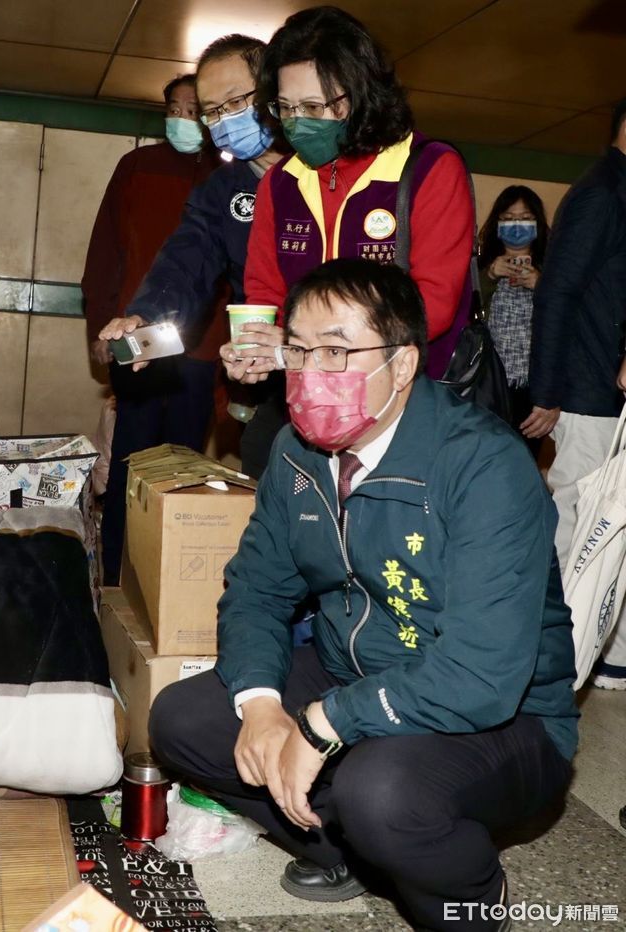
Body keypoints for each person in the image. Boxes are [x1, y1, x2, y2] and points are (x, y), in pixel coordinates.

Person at [149, 259, 577, 932]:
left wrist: (325, 723)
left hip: (508, 715)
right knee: (182, 720)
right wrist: (262, 706)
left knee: (380, 792)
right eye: (297, 350)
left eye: (336, 351)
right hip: (355, 666)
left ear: (402, 365)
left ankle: (472, 895)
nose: (309, 371)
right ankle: (347, 851)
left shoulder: (483, 464)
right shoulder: (297, 453)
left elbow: (482, 675)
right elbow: (256, 589)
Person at [218, 6, 475, 474]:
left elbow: (433, 305)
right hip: (307, 402)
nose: (297, 122)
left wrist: (307, 345)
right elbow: (266, 294)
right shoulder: (280, 184)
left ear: (359, 95)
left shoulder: (429, 169)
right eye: (285, 108)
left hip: (400, 407)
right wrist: (257, 349)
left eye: (314, 107)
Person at [98, 35, 287, 480]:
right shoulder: (222, 189)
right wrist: (145, 315)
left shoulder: (323, 173)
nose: (225, 121)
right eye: (213, 112)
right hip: (268, 378)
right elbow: (187, 260)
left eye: (235, 102)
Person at [81, 74, 222, 584]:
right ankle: (115, 577)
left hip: (201, 350)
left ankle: (168, 579)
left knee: (182, 467)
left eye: (194, 110)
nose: (183, 119)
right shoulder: (137, 166)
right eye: (174, 110)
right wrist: (99, 327)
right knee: (129, 461)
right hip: (136, 340)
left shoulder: (228, 177)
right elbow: (104, 254)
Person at [527, 100, 626, 689]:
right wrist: (547, 391)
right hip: (588, 391)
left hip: (605, 391)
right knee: (583, 527)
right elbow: (557, 293)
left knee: (613, 525)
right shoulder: (601, 194)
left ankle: (610, 655)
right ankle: (553, 662)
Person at [476, 185, 549, 456]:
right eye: (508, 218)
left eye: (525, 218)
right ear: (496, 224)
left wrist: (542, 286)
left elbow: (567, 321)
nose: (516, 225)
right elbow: (464, 311)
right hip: (487, 384)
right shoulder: (480, 266)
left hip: (534, 389)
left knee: (523, 457)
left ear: (538, 225)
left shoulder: (553, 270)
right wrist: (489, 275)